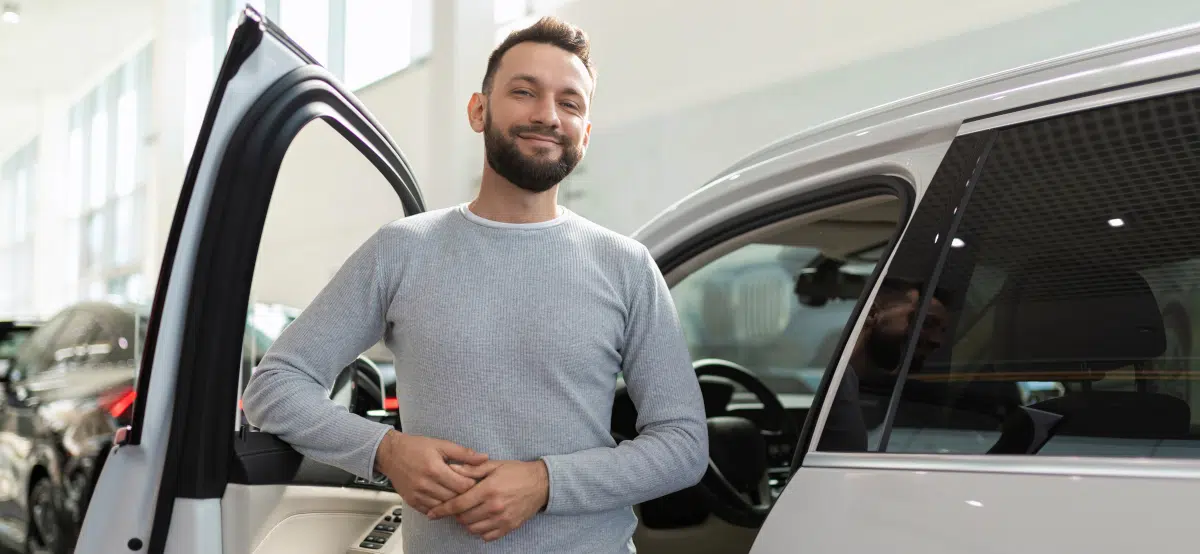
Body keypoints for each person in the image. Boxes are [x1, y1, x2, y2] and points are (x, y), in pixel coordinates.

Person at [242, 16, 709, 554]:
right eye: (524, 91)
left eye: (570, 103)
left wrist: (545, 483)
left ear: (585, 131)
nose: (547, 115)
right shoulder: (402, 250)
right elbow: (275, 386)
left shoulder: (626, 266)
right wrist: (385, 450)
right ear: (478, 110)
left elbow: (682, 445)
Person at [818, 278, 949, 451]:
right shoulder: (832, 385)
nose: (937, 340)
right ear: (872, 314)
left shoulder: (855, 388)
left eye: (942, 332)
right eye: (926, 323)